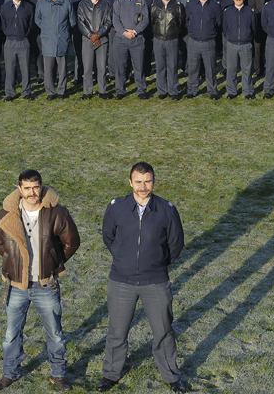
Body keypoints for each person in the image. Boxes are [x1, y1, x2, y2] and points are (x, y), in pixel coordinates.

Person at [98, 162, 185, 393]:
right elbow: (108, 236)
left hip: (155, 281)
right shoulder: (116, 208)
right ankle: (111, 375)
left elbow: (176, 244)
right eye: (139, 182)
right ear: (130, 182)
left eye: (148, 181)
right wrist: (121, 257)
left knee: (163, 331)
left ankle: (172, 377)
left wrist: (157, 262)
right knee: (117, 331)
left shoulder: (167, 209)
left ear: (153, 182)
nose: (143, 186)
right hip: (121, 281)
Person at [0, 170, 80, 392]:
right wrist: (12, 262)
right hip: (16, 285)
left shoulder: (56, 213)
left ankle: (59, 374)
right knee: (11, 334)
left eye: (36, 187)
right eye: (27, 188)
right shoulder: (6, 215)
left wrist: (53, 262)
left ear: (41, 187)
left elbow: (72, 242)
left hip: (45, 285)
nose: (32, 192)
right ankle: (9, 373)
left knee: (55, 334)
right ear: (19, 189)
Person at [35, 0, 76, 100]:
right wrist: (46, 29)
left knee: (62, 68)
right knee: (48, 68)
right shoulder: (41, 3)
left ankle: (62, 91)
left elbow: (72, 21)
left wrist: (64, 32)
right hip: (48, 39)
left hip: (61, 39)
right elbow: (37, 19)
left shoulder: (67, 2)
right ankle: (50, 92)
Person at [111, 0, 150, 99]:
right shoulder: (118, 1)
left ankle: (141, 90)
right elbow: (115, 20)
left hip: (137, 39)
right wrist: (124, 32)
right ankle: (120, 91)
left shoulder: (141, 0)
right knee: (120, 67)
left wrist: (135, 31)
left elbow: (145, 19)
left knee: (139, 66)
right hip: (121, 40)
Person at [185, 0, 221, 99]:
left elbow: (218, 22)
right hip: (194, 42)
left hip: (209, 42)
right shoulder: (190, 5)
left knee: (210, 69)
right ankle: (191, 91)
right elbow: (186, 20)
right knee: (193, 68)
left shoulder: (215, 5)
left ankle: (212, 91)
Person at [150, 0, 184, 100]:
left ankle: (173, 91)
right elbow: (152, 22)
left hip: (172, 40)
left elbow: (180, 22)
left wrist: (173, 33)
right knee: (160, 66)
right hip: (158, 40)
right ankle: (162, 91)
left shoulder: (177, 6)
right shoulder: (155, 6)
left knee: (172, 66)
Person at [0, 0, 34, 101]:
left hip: (24, 41)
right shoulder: (4, 8)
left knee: (25, 69)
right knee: (9, 69)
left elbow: (31, 24)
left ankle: (26, 92)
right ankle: (10, 93)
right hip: (9, 42)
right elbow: (3, 24)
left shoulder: (28, 7)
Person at [222, 0, 255, 99]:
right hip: (232, 44)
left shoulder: (250, 12)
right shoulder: (227, 12)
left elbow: (253, 27)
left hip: (246, 44)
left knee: (247, 69)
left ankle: (248, 91)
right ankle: (231, 91)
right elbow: (224, 28)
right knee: (231, 69)